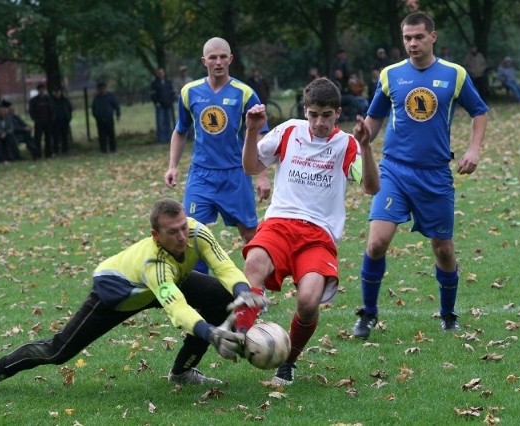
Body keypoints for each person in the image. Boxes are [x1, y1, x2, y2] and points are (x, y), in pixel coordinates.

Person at [0, 198, 266, 397]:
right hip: (118, 292)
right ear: (156, 236)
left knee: (219, 295)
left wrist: (243, 293)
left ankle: (182, 372)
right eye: (173, 232)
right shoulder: (153, 262)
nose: (182, 236)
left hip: (168, 282)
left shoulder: (196, 232)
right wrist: (212, 333)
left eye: (183, 227)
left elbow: (224, 266)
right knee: (58, 351)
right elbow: (177, 308)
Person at [351, 12, 488, 339]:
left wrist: (473, 150)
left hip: (436, 175)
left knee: (443, 249)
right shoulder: (390, 75)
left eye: (418, 37)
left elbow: (480, 110)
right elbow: (373, 121)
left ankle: (448, 314)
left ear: (433, 37)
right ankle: (367, 314)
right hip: (394, 171)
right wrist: (361, 136)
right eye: (407, 38)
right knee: (376, 244)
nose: (412, 43)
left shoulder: (454, 74)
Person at [241, 77, 380, 386]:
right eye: (313, 114)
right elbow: (251, 166)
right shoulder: (288, 131)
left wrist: (366, 147)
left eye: (326, 115)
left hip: (319, 234)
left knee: (308, 301)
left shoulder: (347, 144)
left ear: (338, 113)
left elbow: (371, 187)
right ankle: (241, 333)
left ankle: (288, 361)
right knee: (254, 265)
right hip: (280, 222)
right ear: (305, 111)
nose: (319, 122)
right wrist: (252, 131)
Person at [163, 37, 271, 274]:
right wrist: (172, 166)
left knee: (250, 234)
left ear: (230, 59)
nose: (218, 62)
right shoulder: (189, 92)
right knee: (191, 233)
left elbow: (261, 135)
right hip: (201, 175)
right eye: (213, 57)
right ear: (204, 61)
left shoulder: (245, 93)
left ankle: (257, 288)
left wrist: (262, 176)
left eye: (223, 57)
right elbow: (180, 131)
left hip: (236, 174)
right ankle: (200, 290)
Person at [92, 82, 121, 153]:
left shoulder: (110, 96)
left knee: (111, 134)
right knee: (102, 135)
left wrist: (118, 114)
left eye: (103, 88)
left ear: (105, 88)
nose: (101, 90)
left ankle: (113, 149)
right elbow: (94, 108)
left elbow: (116, 105)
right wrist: (96, 116)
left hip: (109, 117)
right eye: (100, 89)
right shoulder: (97, 98)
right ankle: (103, 149)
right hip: (100, 119)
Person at [149, 68, 176, 144]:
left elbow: (172, 92)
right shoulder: (154, 83)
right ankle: (161, 139)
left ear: (164, 73)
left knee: (168, 122)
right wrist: (156, 102)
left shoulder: (168, 82)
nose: (160, 74)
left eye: (162, 72)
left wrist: (171, 101)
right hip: (160, 106)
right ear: (157, 74)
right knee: (160, 123)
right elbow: (152, 94)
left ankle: (169, 138)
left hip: (168, 105)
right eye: (159, 73)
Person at [28, 83, 54, 159]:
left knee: (48, 138)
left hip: (47, 121)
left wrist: (51, 119)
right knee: (37, 139)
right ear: (38, 90)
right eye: (40, 89)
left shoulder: (48, 99)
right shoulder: (34, 100)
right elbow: (31, 111)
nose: (41, 90)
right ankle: (37, 153)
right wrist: (35, 119)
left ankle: (48, 153)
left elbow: (52, 110)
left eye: (43, 89)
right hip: (39, 122)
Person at [51, 86, 73, 154]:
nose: (57, 93)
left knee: (64, 136)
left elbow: (70, 109)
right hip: (55, 121)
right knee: (55, 136)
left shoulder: (65, 100)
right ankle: (56, 150)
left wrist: (68, 117)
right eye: (56, 92)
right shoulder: (51, 101)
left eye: (58, 92)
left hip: (64, 120)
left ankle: (65, 150)